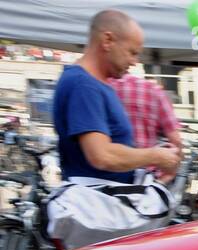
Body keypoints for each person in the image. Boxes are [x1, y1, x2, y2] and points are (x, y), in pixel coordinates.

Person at [52, 9, 180, 185]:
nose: (134, 62)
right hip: (97, 206)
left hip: (103, 202)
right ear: (107, 41)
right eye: (132, 52)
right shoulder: (84, 85)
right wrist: (155, 155)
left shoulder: (95, 83)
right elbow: (102, 156)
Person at [107, 71, 181, 181]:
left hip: (107, 174)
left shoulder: (101, 88)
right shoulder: (153, 90)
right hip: (144, 177)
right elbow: (176, 140)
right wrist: (167, 176)